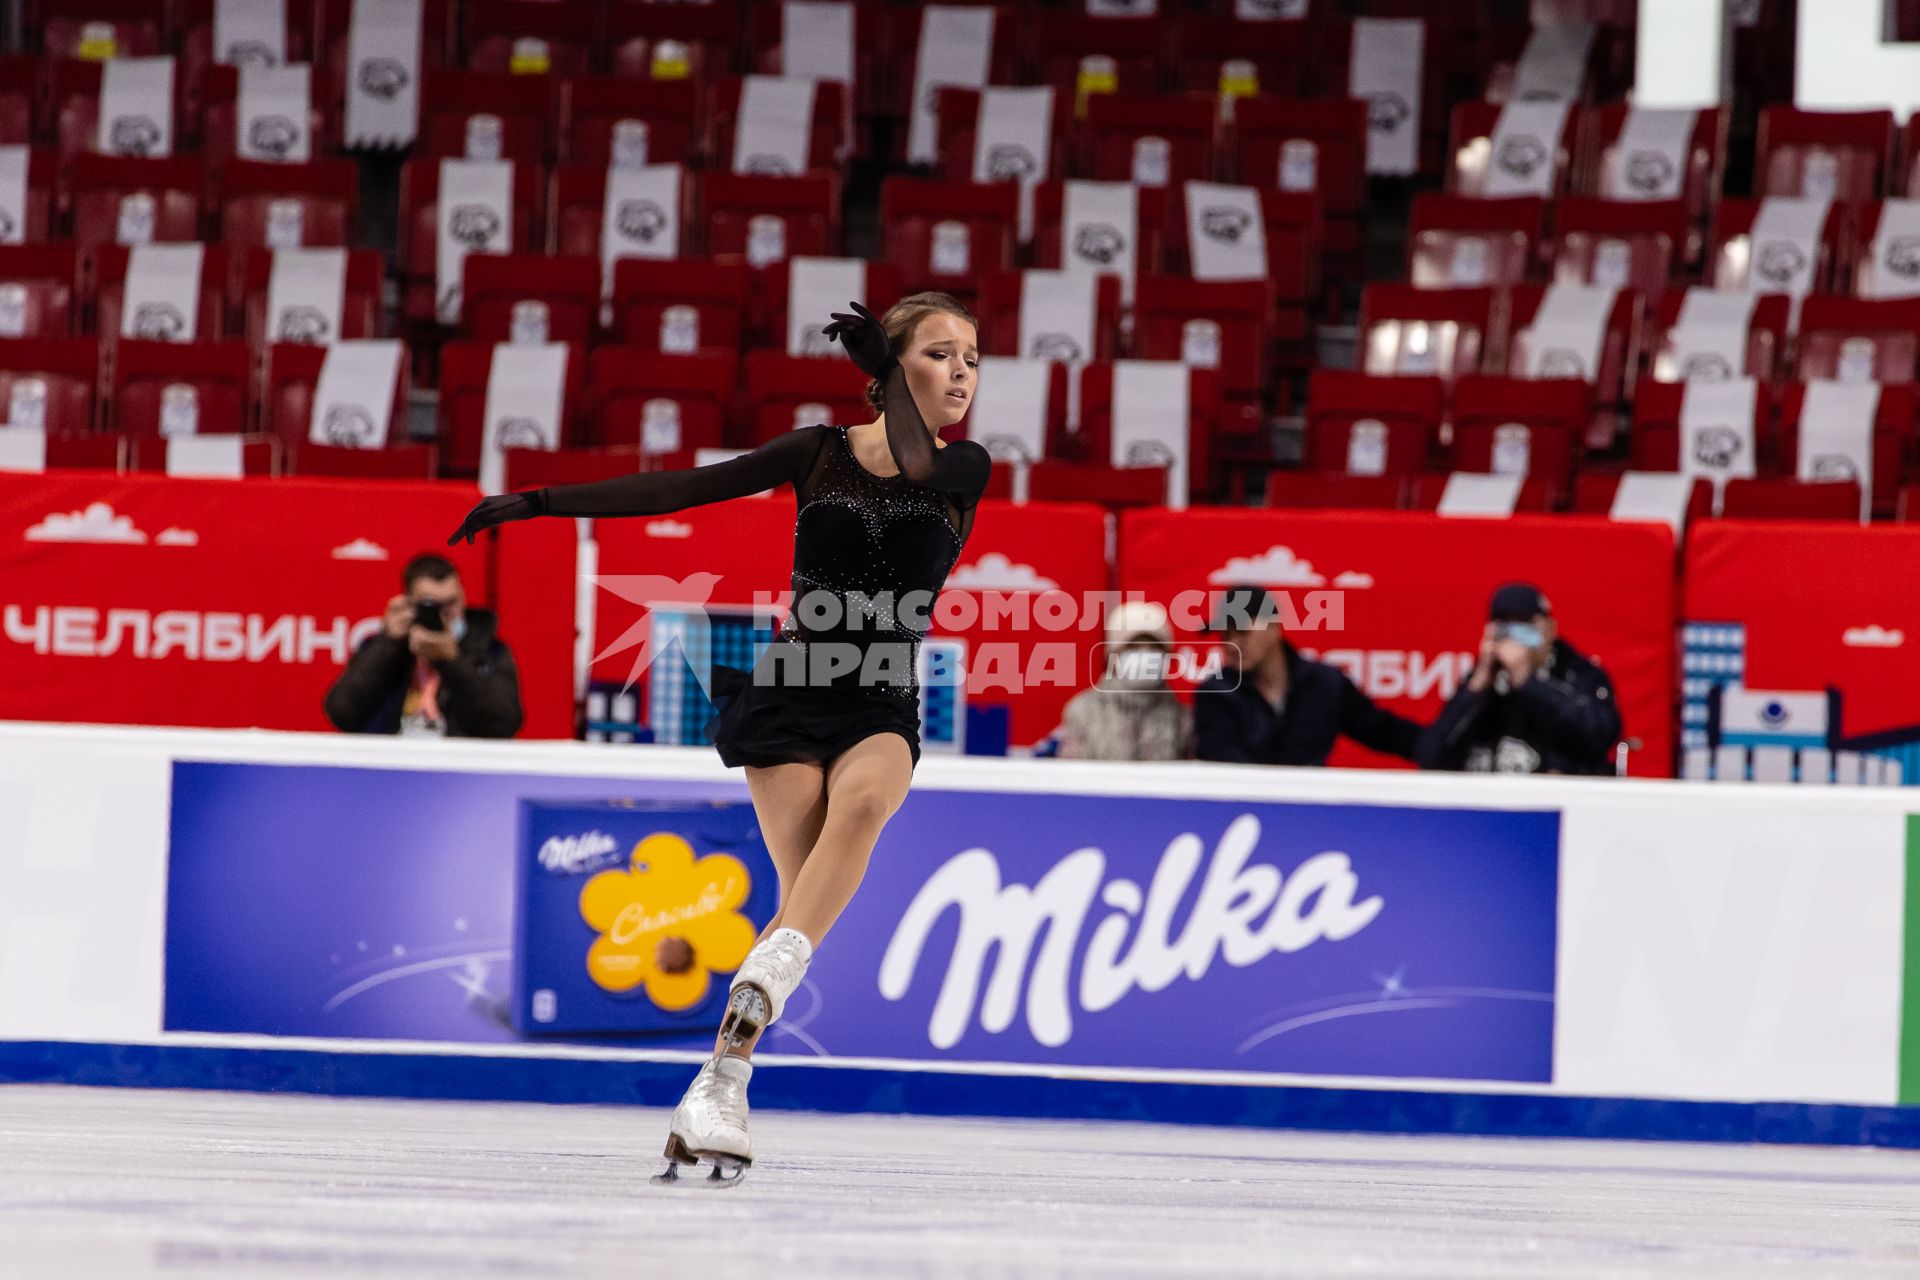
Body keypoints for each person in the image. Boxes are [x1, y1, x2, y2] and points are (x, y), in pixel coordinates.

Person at [448, 294, 991, 1184]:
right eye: (940, 354)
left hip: (882, 699)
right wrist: (540, 502)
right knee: (796, 900)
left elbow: (919, 460)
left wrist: (889, 373)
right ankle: (722, 1084)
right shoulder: (815, 452)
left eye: (972, 356)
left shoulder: (964, 466)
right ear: (895, 366)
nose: (964, 370)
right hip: (790, 692)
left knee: (861, 809)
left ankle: (749, 1011)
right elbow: (676, 488)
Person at [1192, 584, 1421, 766]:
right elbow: (1226, 765)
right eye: (1225, 634)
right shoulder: (1216, 694)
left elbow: (1382, 730)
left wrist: (1444, 747)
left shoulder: (1325, 684)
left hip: (1311, 816)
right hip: (1243, 817)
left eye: (1242, 632)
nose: (1232, 643)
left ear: (1274, 628)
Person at [1416, 582, 1621, 775]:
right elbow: (1431, 756)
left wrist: (1526, 682)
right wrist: (1476, 687)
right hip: (1485, 802)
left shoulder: (1577, 674)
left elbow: (1598, 735)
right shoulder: (1482, 679)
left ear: (1550, 629)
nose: (1513, 634)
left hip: (1554, 803)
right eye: (1504, 624)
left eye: (1524, 623)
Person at [322, 553, 523, 738]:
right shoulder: (385, 648)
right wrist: (388, 645)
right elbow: (342, 713)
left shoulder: (489, 651)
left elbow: (503, 723)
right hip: (391, 765)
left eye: (452, 603)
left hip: (460, 767)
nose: (446, 615)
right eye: (433, 606)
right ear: (409, 603)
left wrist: (453, 661)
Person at [1050, 600, 1193, 761]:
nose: (1145, 655)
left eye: (1154, 647)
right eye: (1133, 646)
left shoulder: (1182, 719)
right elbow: (1070, 775)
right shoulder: (1083, 711)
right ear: (1113, 654)